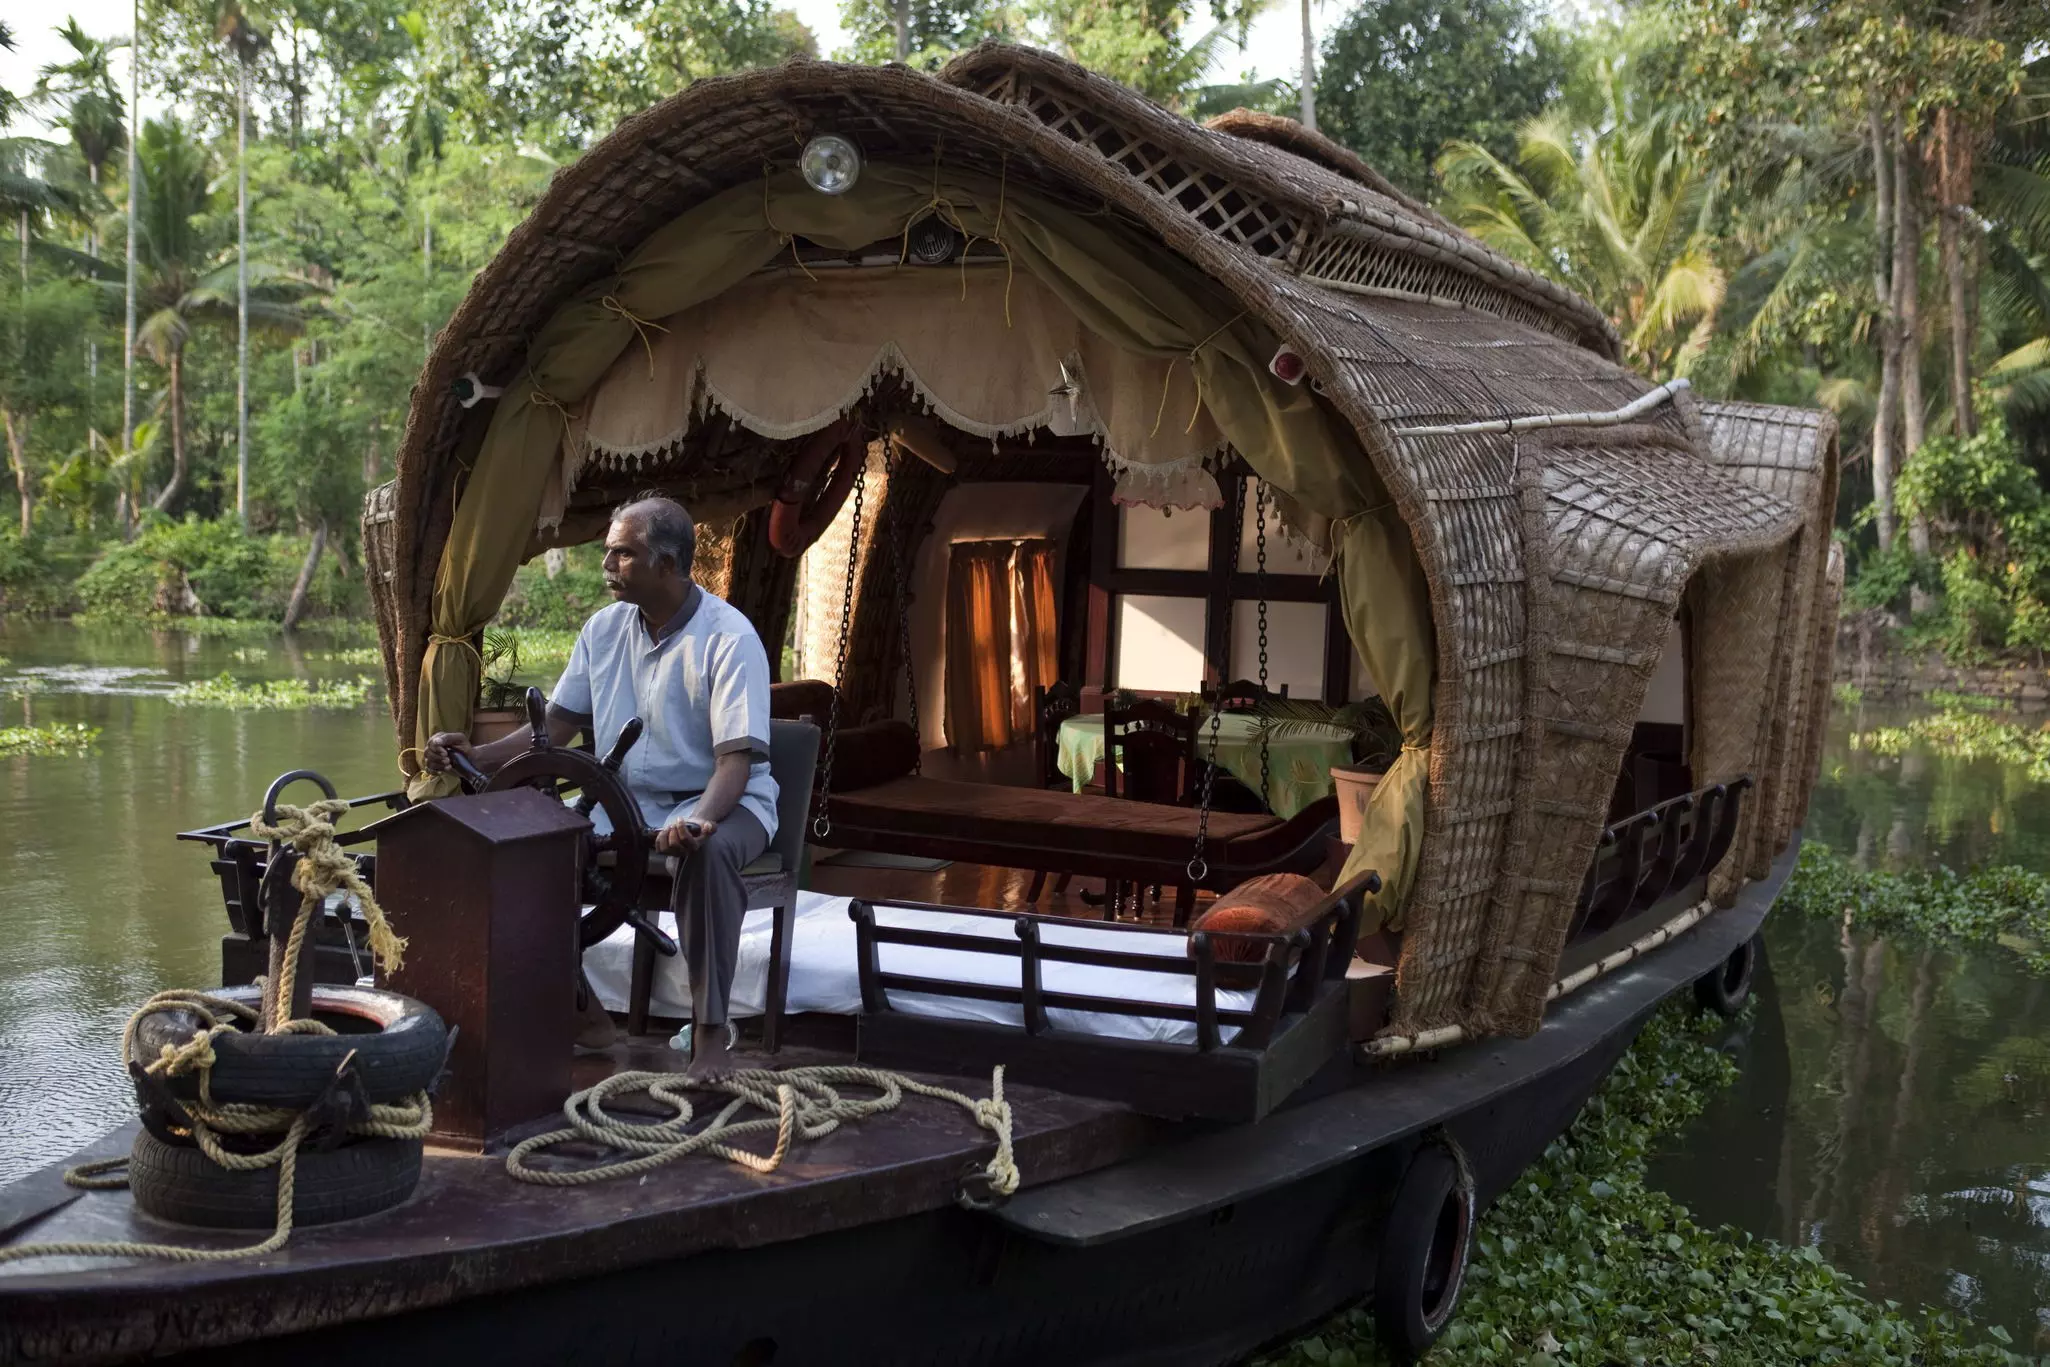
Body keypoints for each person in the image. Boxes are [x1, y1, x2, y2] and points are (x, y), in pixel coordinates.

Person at [423, 496, 777, 1075]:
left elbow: (734, 765)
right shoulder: (603, 630)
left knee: (707, 854)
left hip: (726, 802)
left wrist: (697, 820)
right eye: (608, 551)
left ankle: (711, 1037)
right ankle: (583, 1010)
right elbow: (555, 730)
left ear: (668, 564)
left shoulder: (729, 638)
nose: (607, 565)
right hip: (623, 809)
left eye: (623, 553)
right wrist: (476, 752)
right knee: (521, 853)